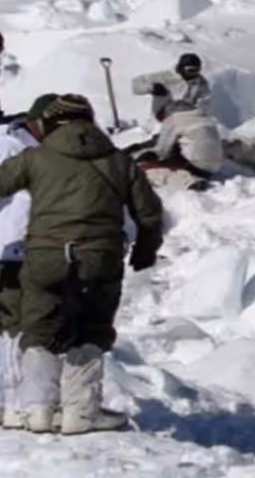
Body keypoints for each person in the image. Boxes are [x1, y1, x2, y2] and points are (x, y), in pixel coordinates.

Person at [0, 95, 164, 434]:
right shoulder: (120, 162)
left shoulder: (35, 157)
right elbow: (149, 212)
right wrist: (145, 250)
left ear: (51, 124)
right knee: (91, 327)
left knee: (39, 329)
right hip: (99, 256)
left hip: (44, 256)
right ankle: (81, 413)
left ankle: (38, 411)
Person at [0, 95, 55, 429]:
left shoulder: (50, 151)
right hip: (10, 249)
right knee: (11, 327)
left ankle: (28, 401)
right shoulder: (9, 145)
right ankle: (10, 402)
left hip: (41, 250)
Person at [130, 53, 212, 122]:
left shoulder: (201, 83)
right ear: (181, 68)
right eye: (190, 70)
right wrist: (152, 88)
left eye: (197, 70)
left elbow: (205, 102)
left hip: (187, 119)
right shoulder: (165, 77)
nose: (194, 74)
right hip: (162, 118)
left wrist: (195, 110)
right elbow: (136, 84)